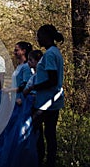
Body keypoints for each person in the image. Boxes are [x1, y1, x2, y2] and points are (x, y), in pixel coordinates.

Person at [27, 24, 65, 167]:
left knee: (39, 131)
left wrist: (33, 87)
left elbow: (52, 80)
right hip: (52, 101)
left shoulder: (50, 54)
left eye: (39, 36)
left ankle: (41, 159)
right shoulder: (55, 52)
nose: (37, 39)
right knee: (49, 133)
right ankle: (47, 161)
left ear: (46, 37)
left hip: (47, 102)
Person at [3, 41, 33, 106]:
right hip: (15, 100)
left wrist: (9, 90)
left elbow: (25, 86)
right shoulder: (19, 66)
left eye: (16, 50)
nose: (14, 52)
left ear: (23, 51)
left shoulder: (26, 66)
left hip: (21, 101)